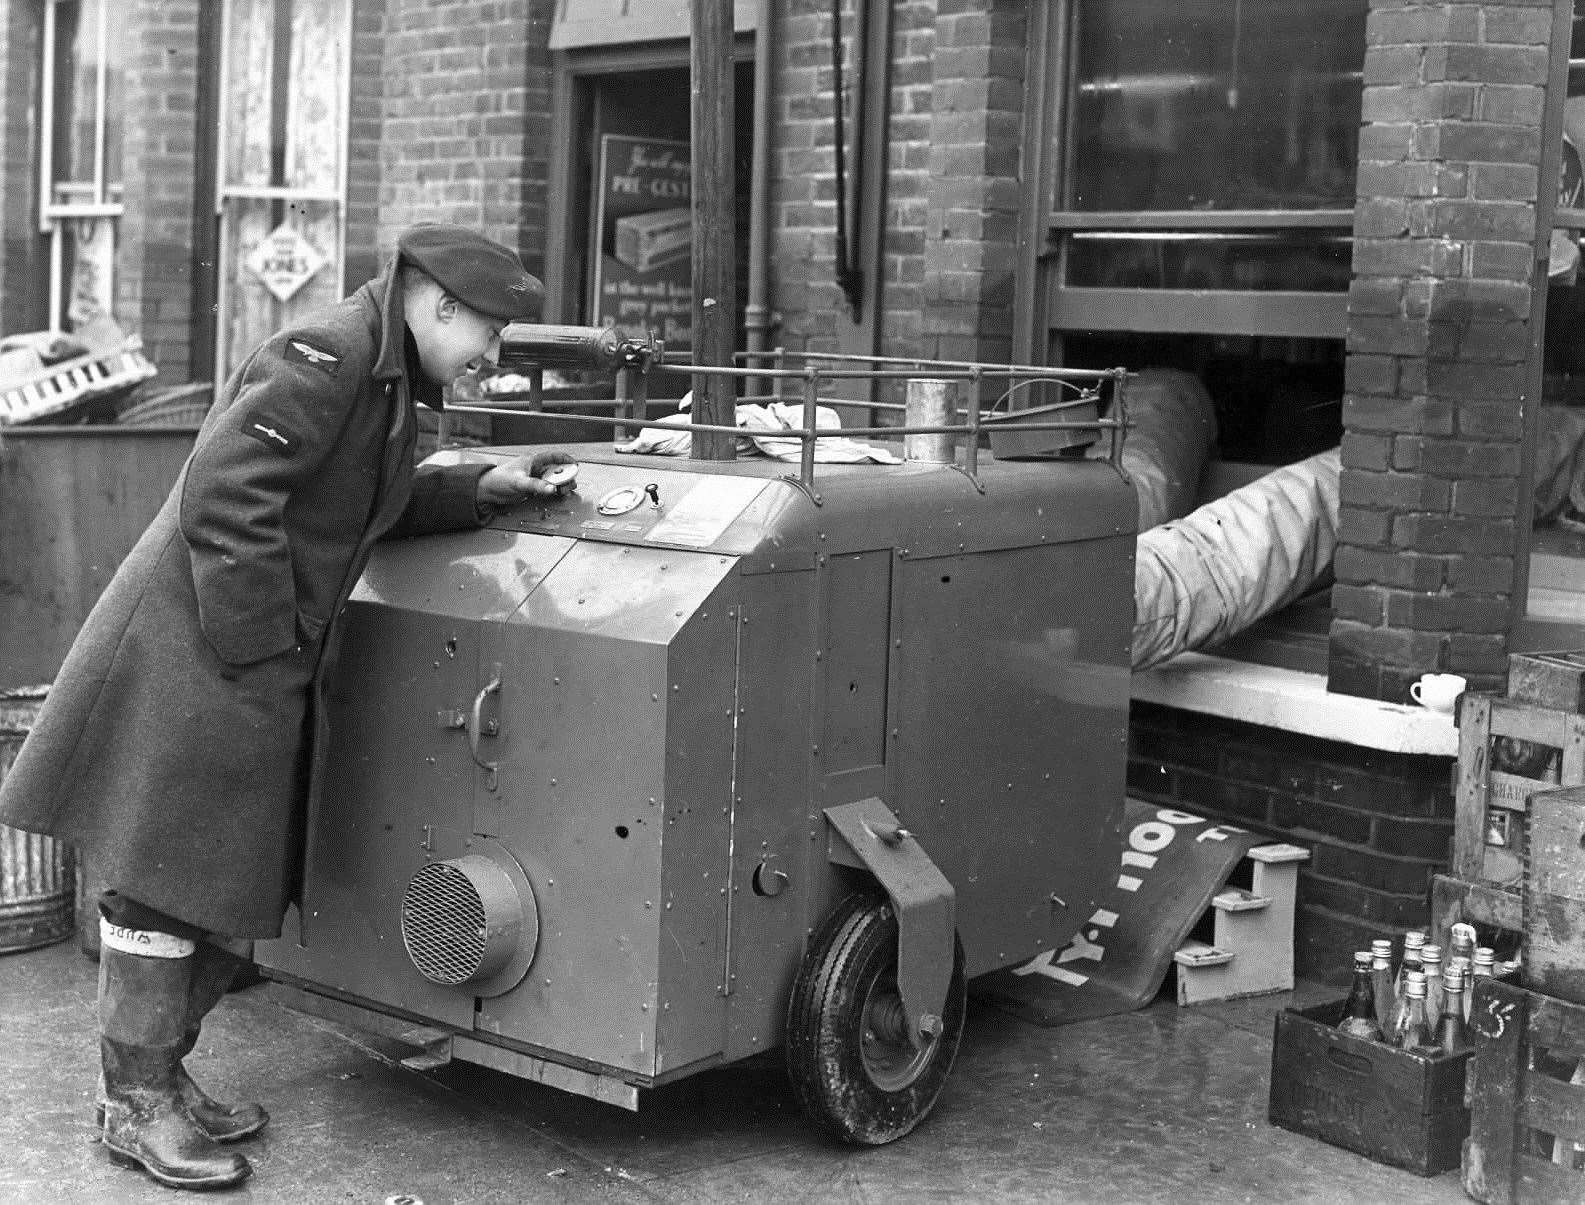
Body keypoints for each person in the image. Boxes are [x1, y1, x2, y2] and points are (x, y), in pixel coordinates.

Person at [0, 224, 572, 1191]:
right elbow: (225, 493)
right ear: (437, 306)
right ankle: (134, 1104)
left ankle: (161, 1077)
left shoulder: (385, 374)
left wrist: (480, 487)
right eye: (489, 332)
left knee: (218, 874)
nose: (492, 356)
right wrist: (265, 644)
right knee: (162, 877)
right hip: (207, 650)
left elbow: (353, 501)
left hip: (241, 655)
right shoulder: (328, 353)